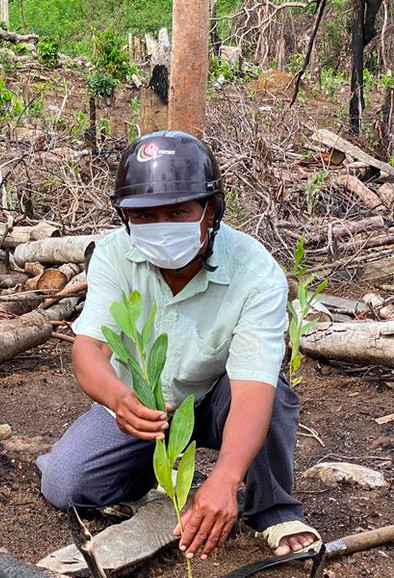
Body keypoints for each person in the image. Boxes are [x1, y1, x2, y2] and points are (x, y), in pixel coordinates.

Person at [36, 131, 321, 561]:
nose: (161, 226)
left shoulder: (255, 272)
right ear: (125, 216)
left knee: (273, 396)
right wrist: (120, 399)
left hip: (219, 402)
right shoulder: (114, 255)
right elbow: (88, 349)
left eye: (177, 211)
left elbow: (252, 389)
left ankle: (273, 509)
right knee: (65, 483)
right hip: (144, 404)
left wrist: (225, 477)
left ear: (211, 211)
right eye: (144, 215)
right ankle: (153, 486)